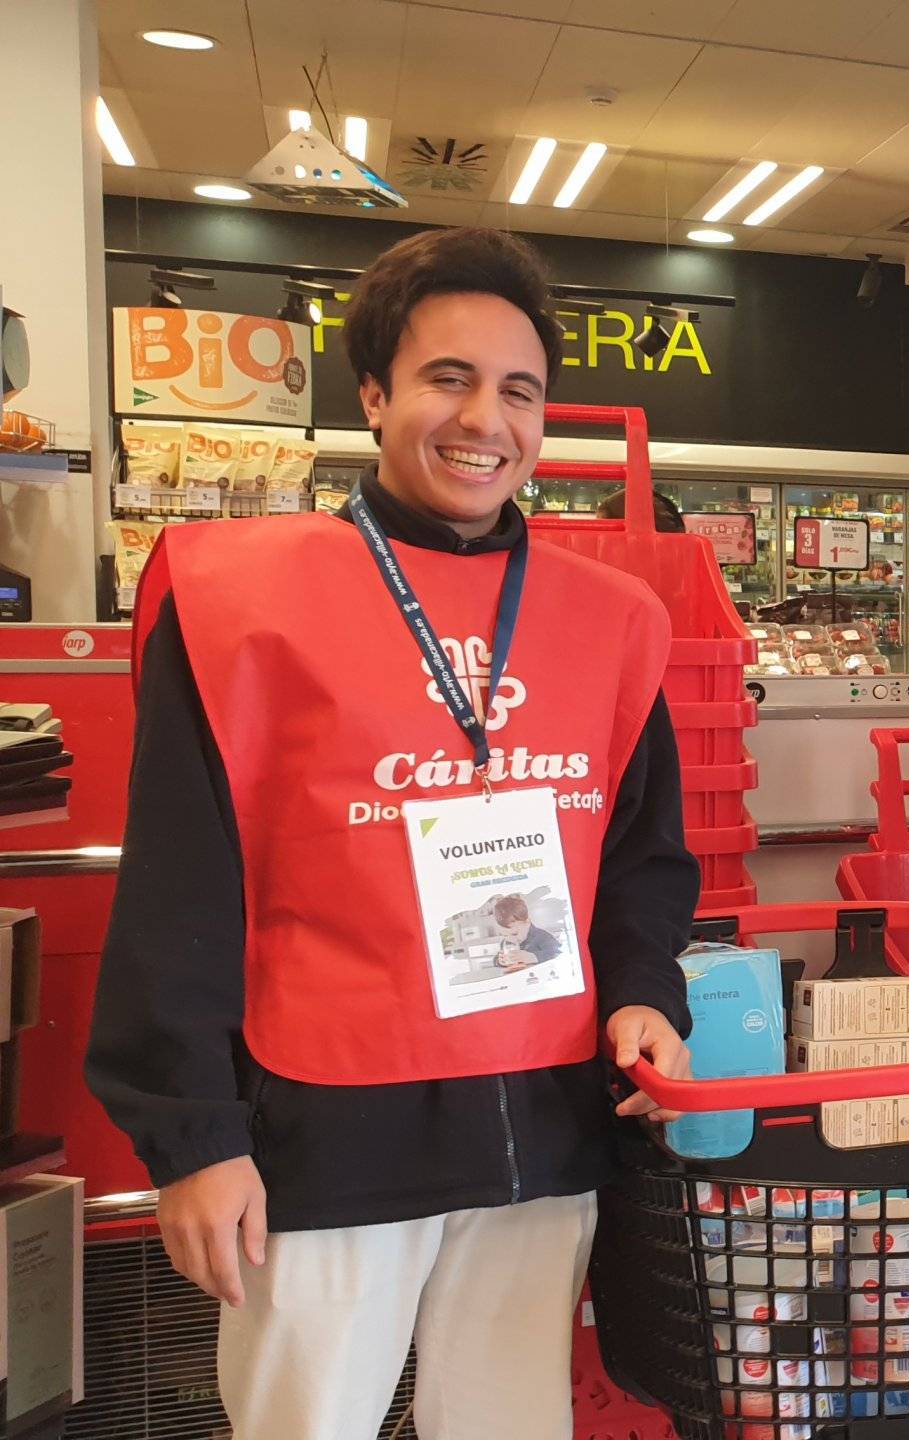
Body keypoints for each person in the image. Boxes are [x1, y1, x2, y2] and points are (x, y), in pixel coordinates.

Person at [85, 226, 699, 1440]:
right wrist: (193, 1136)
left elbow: (641, 850)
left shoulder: (613, 619)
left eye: (518, 391)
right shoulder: (239, 600)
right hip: (321, 1128)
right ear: (373, 393)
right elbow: (179, 885)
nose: (485, 420)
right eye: (447, 379)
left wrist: (645, 989)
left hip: (541, 1121)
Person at [493, 893, 564, 973]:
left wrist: (533, 957)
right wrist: (500, 961)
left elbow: (558, 953)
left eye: (515, 934)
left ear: (527, 921)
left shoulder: (542, 936)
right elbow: (497, 959)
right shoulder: (506, 942)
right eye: (505, 935)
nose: (510, 939)